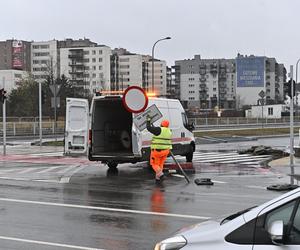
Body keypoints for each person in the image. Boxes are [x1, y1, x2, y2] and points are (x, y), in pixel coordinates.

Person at [146, 117, 172, 182]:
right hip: (166, 151)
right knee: (160, 164)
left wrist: (148, 121)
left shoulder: (159, 130)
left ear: (161, 124)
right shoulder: (169, 131)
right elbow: (156, 131)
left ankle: (161, 175)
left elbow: (149, 128)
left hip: (157, 151)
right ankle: (158, 178)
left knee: (154, 164)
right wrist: (152, 125)